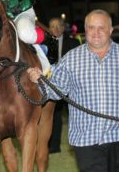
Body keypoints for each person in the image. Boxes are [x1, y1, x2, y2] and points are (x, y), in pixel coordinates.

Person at [28, 9, 119, 172]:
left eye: (101, 28)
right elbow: (56, 91)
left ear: (111, 30)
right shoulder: (71, 59)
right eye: (91, 28)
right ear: (85, 30)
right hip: (86, 141)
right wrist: (40, 81)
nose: (96, 33)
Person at [48, 17, 80, 153]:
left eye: (57, 26)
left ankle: (79, 143)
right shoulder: (44, 44)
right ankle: (54, 147)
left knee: (76, 115)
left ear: (62, 28)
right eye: (52, 26)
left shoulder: (73, 43)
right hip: (53, 85)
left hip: (72, 84)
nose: (55, 29)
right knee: (54, 116)